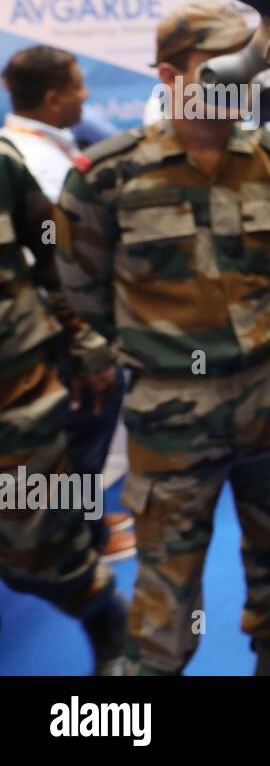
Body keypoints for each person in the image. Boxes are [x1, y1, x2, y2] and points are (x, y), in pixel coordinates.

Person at [57, 1, 270, 676]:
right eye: (218, 65)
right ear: (171, 74)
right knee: (166, 584)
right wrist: (166, 351)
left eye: (250, 62)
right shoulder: (106, 177)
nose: (239, 76)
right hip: (171, 417)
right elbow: (84, 295)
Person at [0, 132, 127, 674]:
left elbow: (52, 249)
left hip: (14, 388)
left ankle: (103, 615)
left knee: (33, 544)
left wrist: (87, 345)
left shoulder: (3, 163)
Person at [2, 47, 133, 562]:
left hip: (59, 322)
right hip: (57, 328)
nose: (87, 95)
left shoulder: (36, 148)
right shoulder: (36, 161)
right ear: (53, 99)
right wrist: (86, 341)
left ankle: (87, 522)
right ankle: (84, 538)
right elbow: (61, 259)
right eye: (78, 87)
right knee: (84, 423)